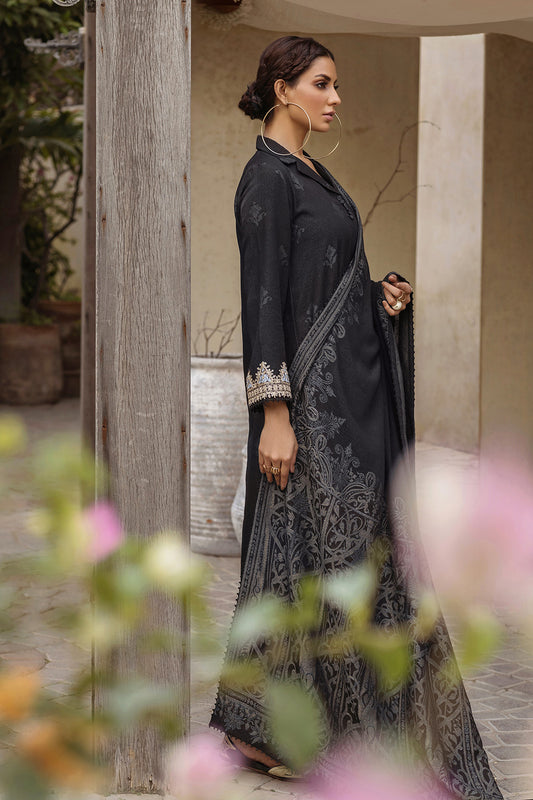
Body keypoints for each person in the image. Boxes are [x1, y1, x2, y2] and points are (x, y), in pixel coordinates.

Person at [210, 35, 503, 800]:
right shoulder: (265, 179)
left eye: (334, 84)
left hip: (346, 406)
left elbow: (324, 286)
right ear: (282, 89)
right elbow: (264, 301)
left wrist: (380, 299)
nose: (335, 97)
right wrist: (274, 413)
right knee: (308, 558)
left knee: (338, 559)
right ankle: (268, 725)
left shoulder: (313, 174)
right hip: (305, 411)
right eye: (321, 83)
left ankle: (278, 728)